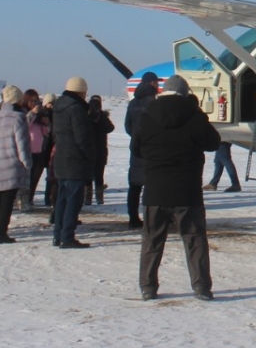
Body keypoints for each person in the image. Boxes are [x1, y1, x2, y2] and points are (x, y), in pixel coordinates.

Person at [132, 75, 219, 301]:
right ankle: (201, 287)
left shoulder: (147, 114)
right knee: (194, 239)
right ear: (185, 91)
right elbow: (213, 142)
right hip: (187, 189)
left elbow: (136, 149)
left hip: (155, 189)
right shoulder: (193, 115)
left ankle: (148, 287)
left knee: (152, 240)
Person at [50, 77, 96, 249]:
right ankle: (67, 237)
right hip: (75, 161)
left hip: (61, 158)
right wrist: (90, 156)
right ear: (82, 92)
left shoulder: (58, 107)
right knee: (73, 201)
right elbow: (82, 137)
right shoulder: (76, 109)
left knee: (61, 199)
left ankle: (58, 235)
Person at [0, 85, 31, 244]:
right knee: (7, 200)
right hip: (11, 164)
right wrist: (27, 163)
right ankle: (1, 233)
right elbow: (22, 145)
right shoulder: (18, 117)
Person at [123, 72, 159, 229]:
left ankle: (132, 217)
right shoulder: (153, 103)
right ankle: (153, 219)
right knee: (153, 186)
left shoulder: (133, 103)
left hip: (136, 149)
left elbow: (127, 126)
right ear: (152, 83)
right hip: (152, 149)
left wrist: (136, 138)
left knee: (134, 186)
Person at [22, 89, 50, 211]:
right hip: (27, 150)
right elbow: (23, 126)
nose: (35, 103)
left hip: (38, 150)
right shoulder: (23, 113)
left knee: (35, 176)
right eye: (32, 101)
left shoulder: (38, 115)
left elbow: (45, 133)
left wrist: (45, 123)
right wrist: (32, 113)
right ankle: (23, 199)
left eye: (37, 100)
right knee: (26, 178)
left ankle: (30, 198)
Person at [88, 95, 115, 205]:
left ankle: (91, 198)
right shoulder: (89, 116)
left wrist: (102, 116)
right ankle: (95, 198)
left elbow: (110, 128)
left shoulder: (97, 116)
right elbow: (110, 128)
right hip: (96, 150)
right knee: (96, 175)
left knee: (92, 175)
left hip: (93, 150)